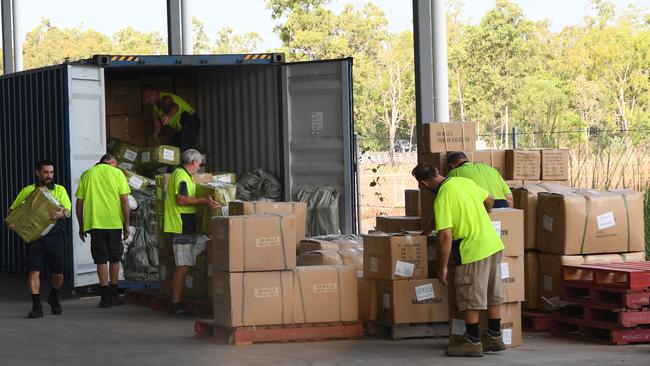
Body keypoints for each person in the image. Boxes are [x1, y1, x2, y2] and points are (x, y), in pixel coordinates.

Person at [413, 163, 505, 358]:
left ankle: (472, 342)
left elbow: (445, 236)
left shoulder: (442, 197)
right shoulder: (464, 182)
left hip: (472, 249)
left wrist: (443, 267)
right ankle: (494, 337)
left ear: (423, 183)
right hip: (493, 243)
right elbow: (490, 199)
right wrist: (481, 215)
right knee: (492, 292)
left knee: (470, 295)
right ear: (437, 172)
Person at [6, 160, 71, 318]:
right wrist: (12, 223)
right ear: (38, 173)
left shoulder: (60, 190)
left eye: (51, 172)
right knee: (34, 271)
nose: (49, 176)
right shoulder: (28, 190)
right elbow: (13, 210)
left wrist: (62, 213)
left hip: (55, 237)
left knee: (59, 274)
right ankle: (36, 305)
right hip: (34, 239)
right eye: (46, 172)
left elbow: (68, 211)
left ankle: (54, 297)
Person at [164, 149, 218, 316]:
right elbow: (181, 199)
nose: (199, 168)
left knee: (201, 245)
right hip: (180, 226)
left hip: (186, 225)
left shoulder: (184, 176)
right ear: (193, 162)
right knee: (182, 266)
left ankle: (179, 299)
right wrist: (204, 201)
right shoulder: (181, 176)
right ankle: (175, 304)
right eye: (199, 164)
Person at [75, 153, 131, 308]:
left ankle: (104, 298)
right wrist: (126, 224)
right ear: (112, 162)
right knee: (115, 258)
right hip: (114, 223)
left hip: (95, 224)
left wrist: (81, 225)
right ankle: (114, 295)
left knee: (100, 260)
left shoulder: (87, 174)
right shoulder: (117, 173)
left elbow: (79, 204)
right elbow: (125, 200)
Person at [142, 85, 200, 151]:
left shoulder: (165, 99)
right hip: (181, 128)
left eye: (148, 96)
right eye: (145, 98)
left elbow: (176, 107)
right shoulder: (154, 108)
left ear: (154, 92)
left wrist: (168, 116)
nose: (147, 100)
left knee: (186, 148)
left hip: (190, 120)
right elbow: (157, 125)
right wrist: (156, 133)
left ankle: (195, 160)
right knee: (174, 149)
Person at [446, 151, 513, 208]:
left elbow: (451, 199)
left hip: (481, 207)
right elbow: (509, 197)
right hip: (502, 205)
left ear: (450, 166)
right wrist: (507, 213)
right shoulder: (491, 169)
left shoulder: (454, 173)